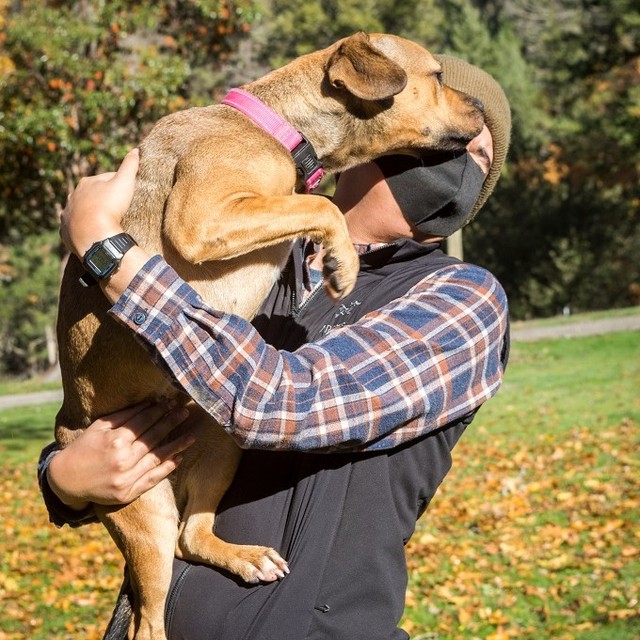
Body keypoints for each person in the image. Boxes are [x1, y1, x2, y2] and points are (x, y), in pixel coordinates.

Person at [39, 55, 511, 639]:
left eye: (479, 158)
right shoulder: (250, 248)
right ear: (373, 116)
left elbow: (285, 402)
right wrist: (62, 479)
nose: (458, 157)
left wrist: (108, 253)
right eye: (450, 132)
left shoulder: (463, 300)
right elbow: (112, 391)